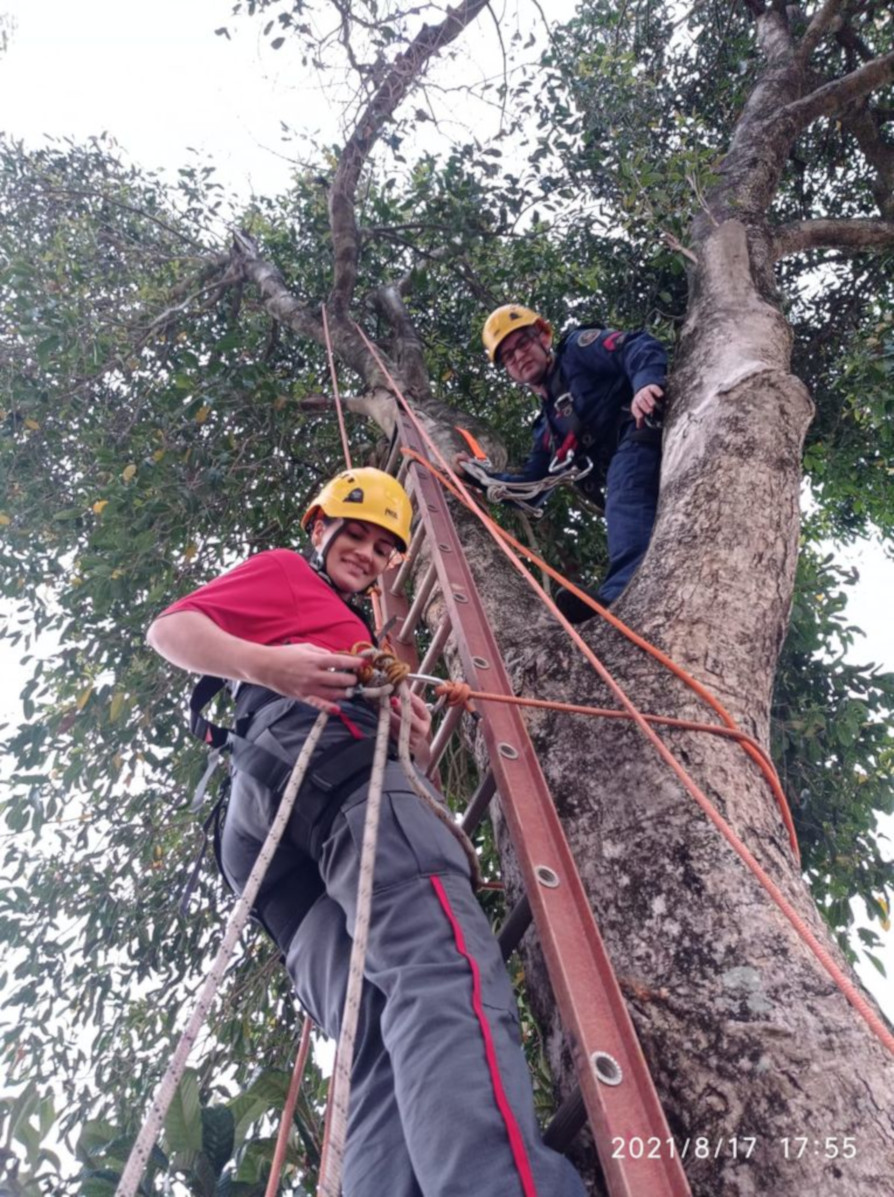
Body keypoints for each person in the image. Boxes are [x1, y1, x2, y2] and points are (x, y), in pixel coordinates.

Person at [147, 466, 586, 1197]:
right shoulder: (289, 574)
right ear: (320, 526)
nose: (371, 554)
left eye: (387, 547)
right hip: (322, 772)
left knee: (375, 1034)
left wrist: (409, 741)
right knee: (439, 967)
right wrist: (266, 665)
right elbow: (171, 629)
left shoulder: (358, 631)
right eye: (356, 532)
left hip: (276, 838)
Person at [465, 303, 668, 620]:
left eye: (523, 344)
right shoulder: (547, 430)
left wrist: (646, 383)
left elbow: (635, 346)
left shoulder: (577, 350)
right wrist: (475, 477)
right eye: (508, 356)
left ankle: (619, 598)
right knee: (623, 501)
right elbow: (532, 490)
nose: (519, 357)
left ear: (543, 337)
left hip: (640, 433)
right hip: (624, 469)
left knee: (625, 496)